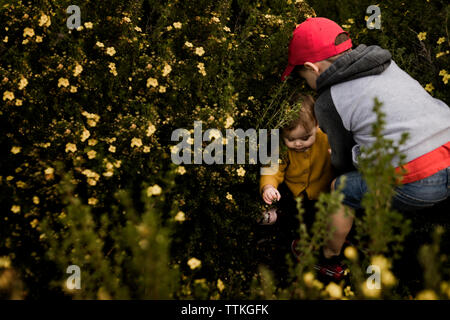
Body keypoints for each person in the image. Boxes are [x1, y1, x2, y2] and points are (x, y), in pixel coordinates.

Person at [281, 17, 450, 260]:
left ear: (312, 67)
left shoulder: (329, 102)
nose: (308, 86)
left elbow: (341, 161)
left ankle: (328, 254)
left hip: (420, 180)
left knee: (342, 188)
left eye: (303, 78)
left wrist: (342, 158)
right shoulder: (387, 64)